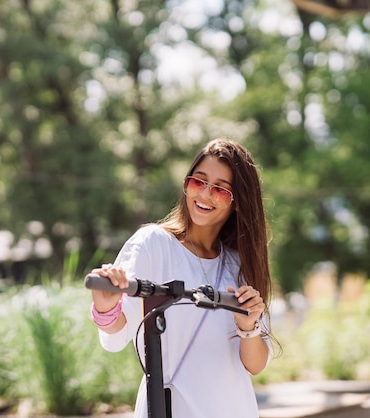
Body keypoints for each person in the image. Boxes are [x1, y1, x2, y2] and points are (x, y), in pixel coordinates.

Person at [89, 137, 276, 418]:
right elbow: (116, 337)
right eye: (198, 182)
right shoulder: (153, 243)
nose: (205, 195)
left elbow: (255, 364)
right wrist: (106, 306)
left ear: (238, 203)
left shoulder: (240, 263)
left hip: (234, 409)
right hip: (167, 407)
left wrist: (248, 326)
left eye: (221, 190)